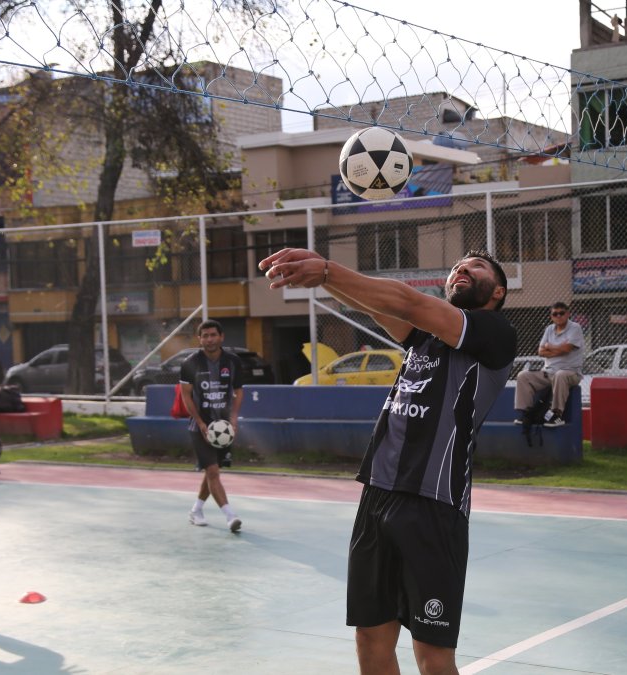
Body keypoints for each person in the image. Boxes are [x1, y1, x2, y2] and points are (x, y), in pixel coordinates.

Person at [259, 247, 516, 675]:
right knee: (370, 638)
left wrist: (326, 269)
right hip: (378, 497)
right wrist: (324, 278)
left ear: (498, 291)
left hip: (434, 505)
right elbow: (377, 305)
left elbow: (406, 301)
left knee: (432, 656)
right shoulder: (424, 337)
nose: (461, 269)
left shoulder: (495, 334)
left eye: (476, 267)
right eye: (456, 266)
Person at [179, 319, 244, 532]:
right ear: (199, 339)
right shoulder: (190, 363)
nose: (209, 339)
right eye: (205, 336)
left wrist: (233, 418)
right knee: (213, 471)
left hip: (224, 428)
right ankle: (230, 516)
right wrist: (199, 422)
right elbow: (186, 396)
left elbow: (239, 391)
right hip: (201, 427)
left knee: (211, 472)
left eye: (213, 335)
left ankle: (196, 510)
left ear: (221, 337)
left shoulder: (233, 361)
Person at [514, 302, 584, 427]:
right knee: (523, 376)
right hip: (548, 372)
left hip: (570, 373)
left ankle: (556, 415)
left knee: (560, 374)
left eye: (561, 313)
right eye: (555, 314)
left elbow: (567, 349)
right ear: (551, 316)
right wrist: (559, 349)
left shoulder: (575, 327)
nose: (558, 316)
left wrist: (550, 347)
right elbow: (541, 352)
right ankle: (527, 414)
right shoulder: (549, 329)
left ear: (568, 314)